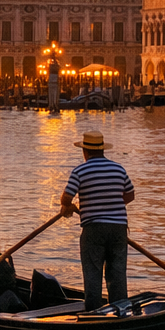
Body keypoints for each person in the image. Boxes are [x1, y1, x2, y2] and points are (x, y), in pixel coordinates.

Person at [59, 129, 135, 311]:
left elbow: (66, 198)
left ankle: (93, 313)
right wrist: (111, 205)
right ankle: (120, 312)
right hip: (118, 228)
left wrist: (70, 206)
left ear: (85, 151)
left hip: (93, 228)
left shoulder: (80, 171)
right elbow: (130, 195)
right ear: (102, 150)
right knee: (117, 274)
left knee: (92, 273)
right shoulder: (118, 168)